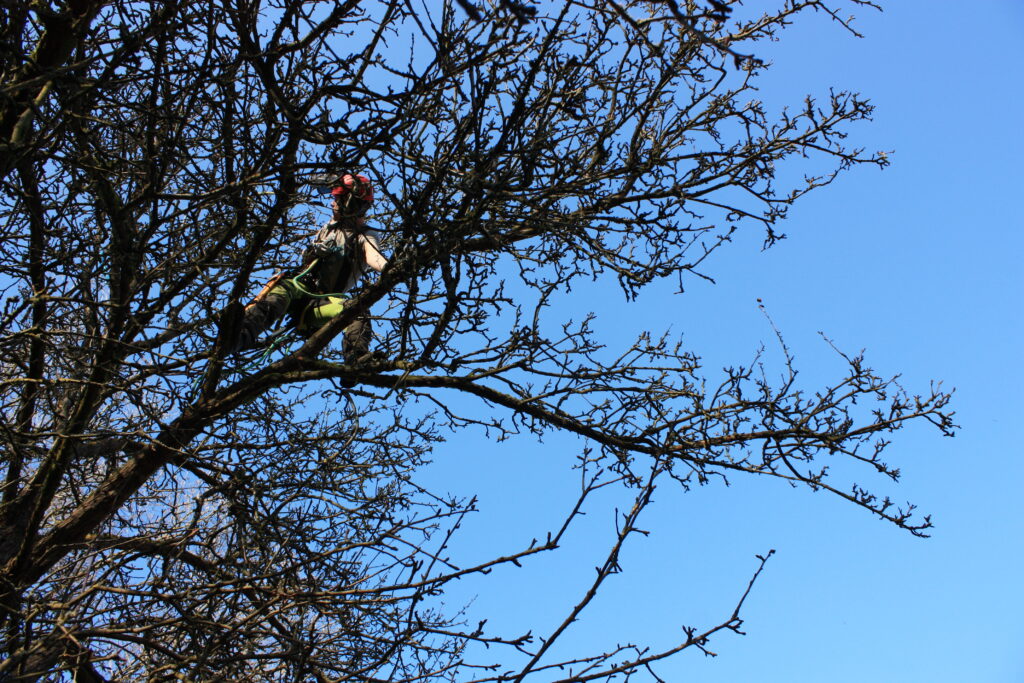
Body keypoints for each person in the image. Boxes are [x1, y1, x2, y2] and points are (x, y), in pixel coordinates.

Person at [227, 173, 387, 362]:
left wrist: (390, 270)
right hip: (297, 287)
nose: (332, 203)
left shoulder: (364, 235)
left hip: (320, 302)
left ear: (350, 203)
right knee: (273, 302)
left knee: (356, 311)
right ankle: (238, 336)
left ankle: (356, 359)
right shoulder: (329, 228)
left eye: (337, 198)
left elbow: (373, 257)